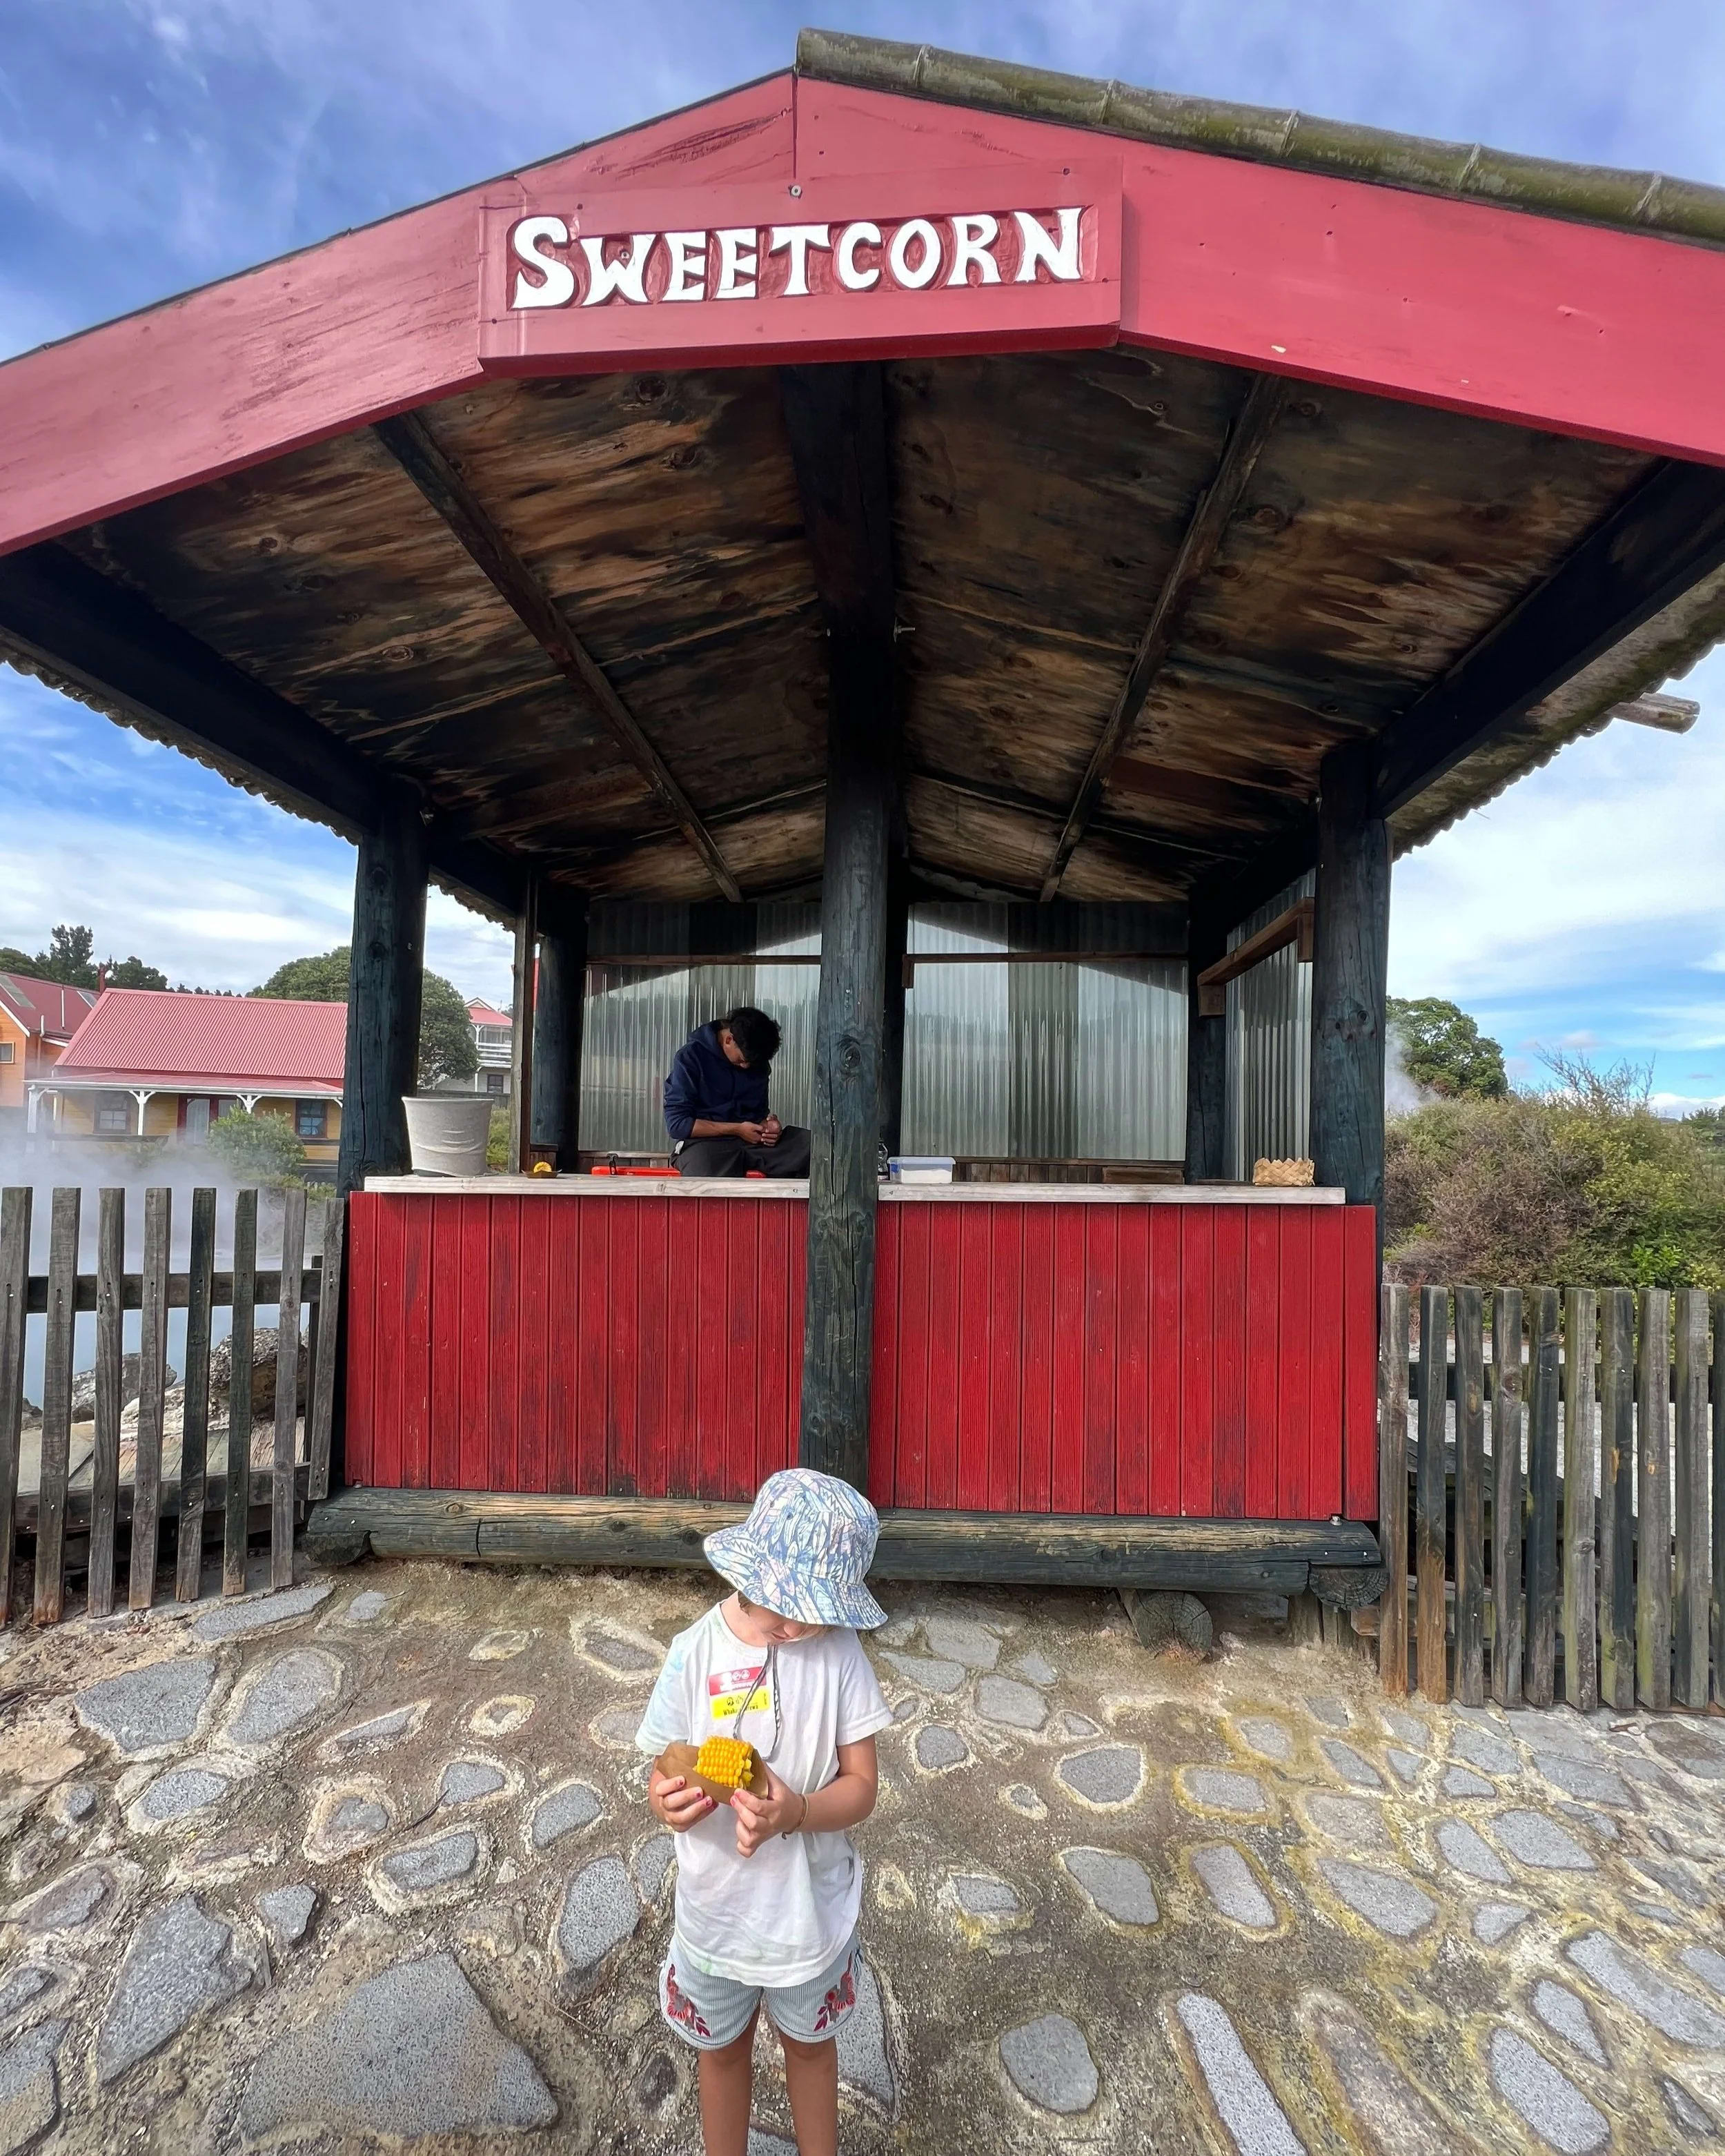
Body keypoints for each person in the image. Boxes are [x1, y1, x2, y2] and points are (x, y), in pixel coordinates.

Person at [638, 1469, 892, 2156]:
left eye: (814, 1608)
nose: (797, 1624)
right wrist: (666, 1800)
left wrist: (798, 1810)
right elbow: (665, 1763)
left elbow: (862, 1786)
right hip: (716, 1913)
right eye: (783, 1602)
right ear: (747, 1574)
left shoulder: (840, 1654)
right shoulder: (695, 1651)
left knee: (809, 2049)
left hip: (808, 1916)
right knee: (721, 2053)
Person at [663, 1006, 811, 1177]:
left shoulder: (756, 1062)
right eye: (742, 1060)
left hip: (752, 1144)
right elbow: (677, 1125)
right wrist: (737, 1129)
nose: (746, 1066)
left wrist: (768, 1128)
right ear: (729, 1040)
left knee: (814, 1147)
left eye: (752, 1063)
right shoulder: (690, 1058)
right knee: (705, 1170)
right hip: (704, 1145)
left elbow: (759, 1114)